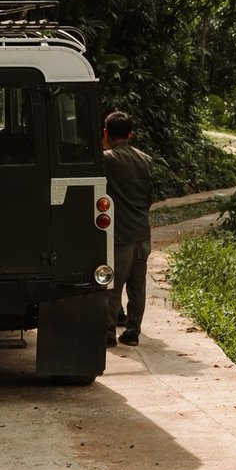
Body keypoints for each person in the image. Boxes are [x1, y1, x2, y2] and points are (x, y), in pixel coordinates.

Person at [102, 110, 153, 347]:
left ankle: (108, 333)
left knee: (113, 286)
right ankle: (132, 332)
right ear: (130, 134)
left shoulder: (108, 159)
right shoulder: (146, 159)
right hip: (142, 233)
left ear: (106, 133)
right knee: (137, 287)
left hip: (120, 235)